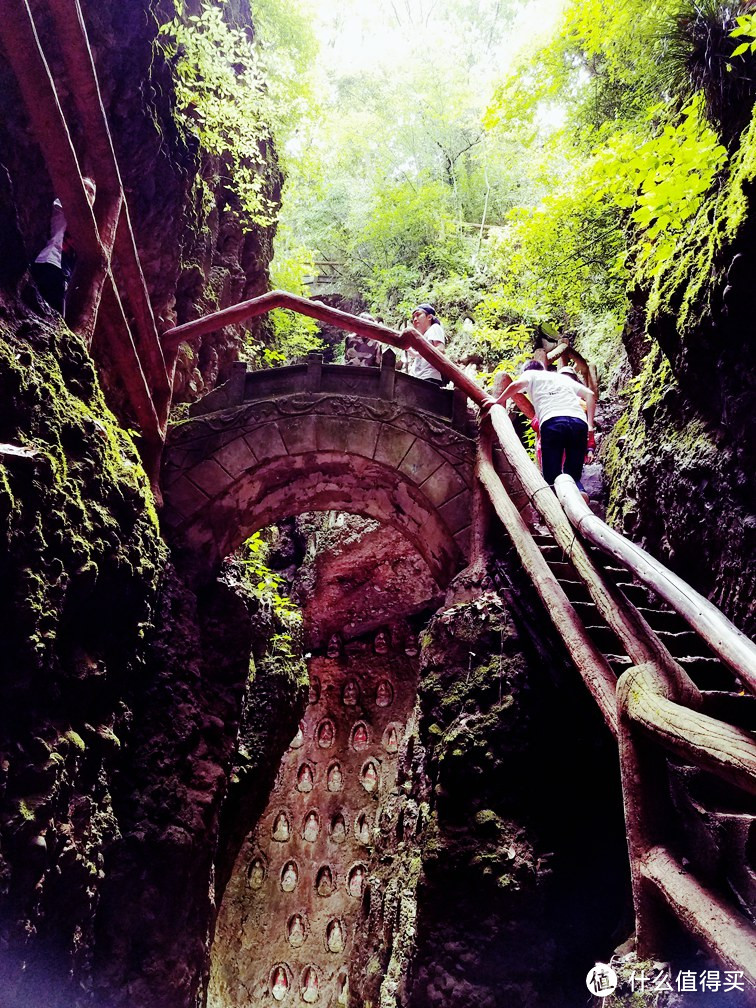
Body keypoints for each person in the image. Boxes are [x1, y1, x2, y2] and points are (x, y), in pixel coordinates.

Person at [496, 360, 595, 491]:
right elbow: (590, 394)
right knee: (573, 475)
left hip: (553, 421)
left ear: (526, 371)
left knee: (552, 476)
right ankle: (580, 495)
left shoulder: (531, 374)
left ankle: (556, 506)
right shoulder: (560, 377)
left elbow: (517, 385)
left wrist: (497, 401)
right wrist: (590, 424)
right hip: (579, 423)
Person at [31, 177, 96, 315]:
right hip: (50, 261)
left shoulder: (89, 228)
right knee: (54, 314)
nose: (87, 193)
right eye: (84, 187)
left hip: (63, 271)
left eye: (91, 192)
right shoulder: (63, 203)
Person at [404, 303, 446, 385]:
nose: (415, 319)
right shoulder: (424, 336)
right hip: (419, 378)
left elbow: (440, 349)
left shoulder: (434, 328)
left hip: (429, 377)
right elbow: (418, 355)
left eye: (418, 315)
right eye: (413, 317)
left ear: (429, 317)